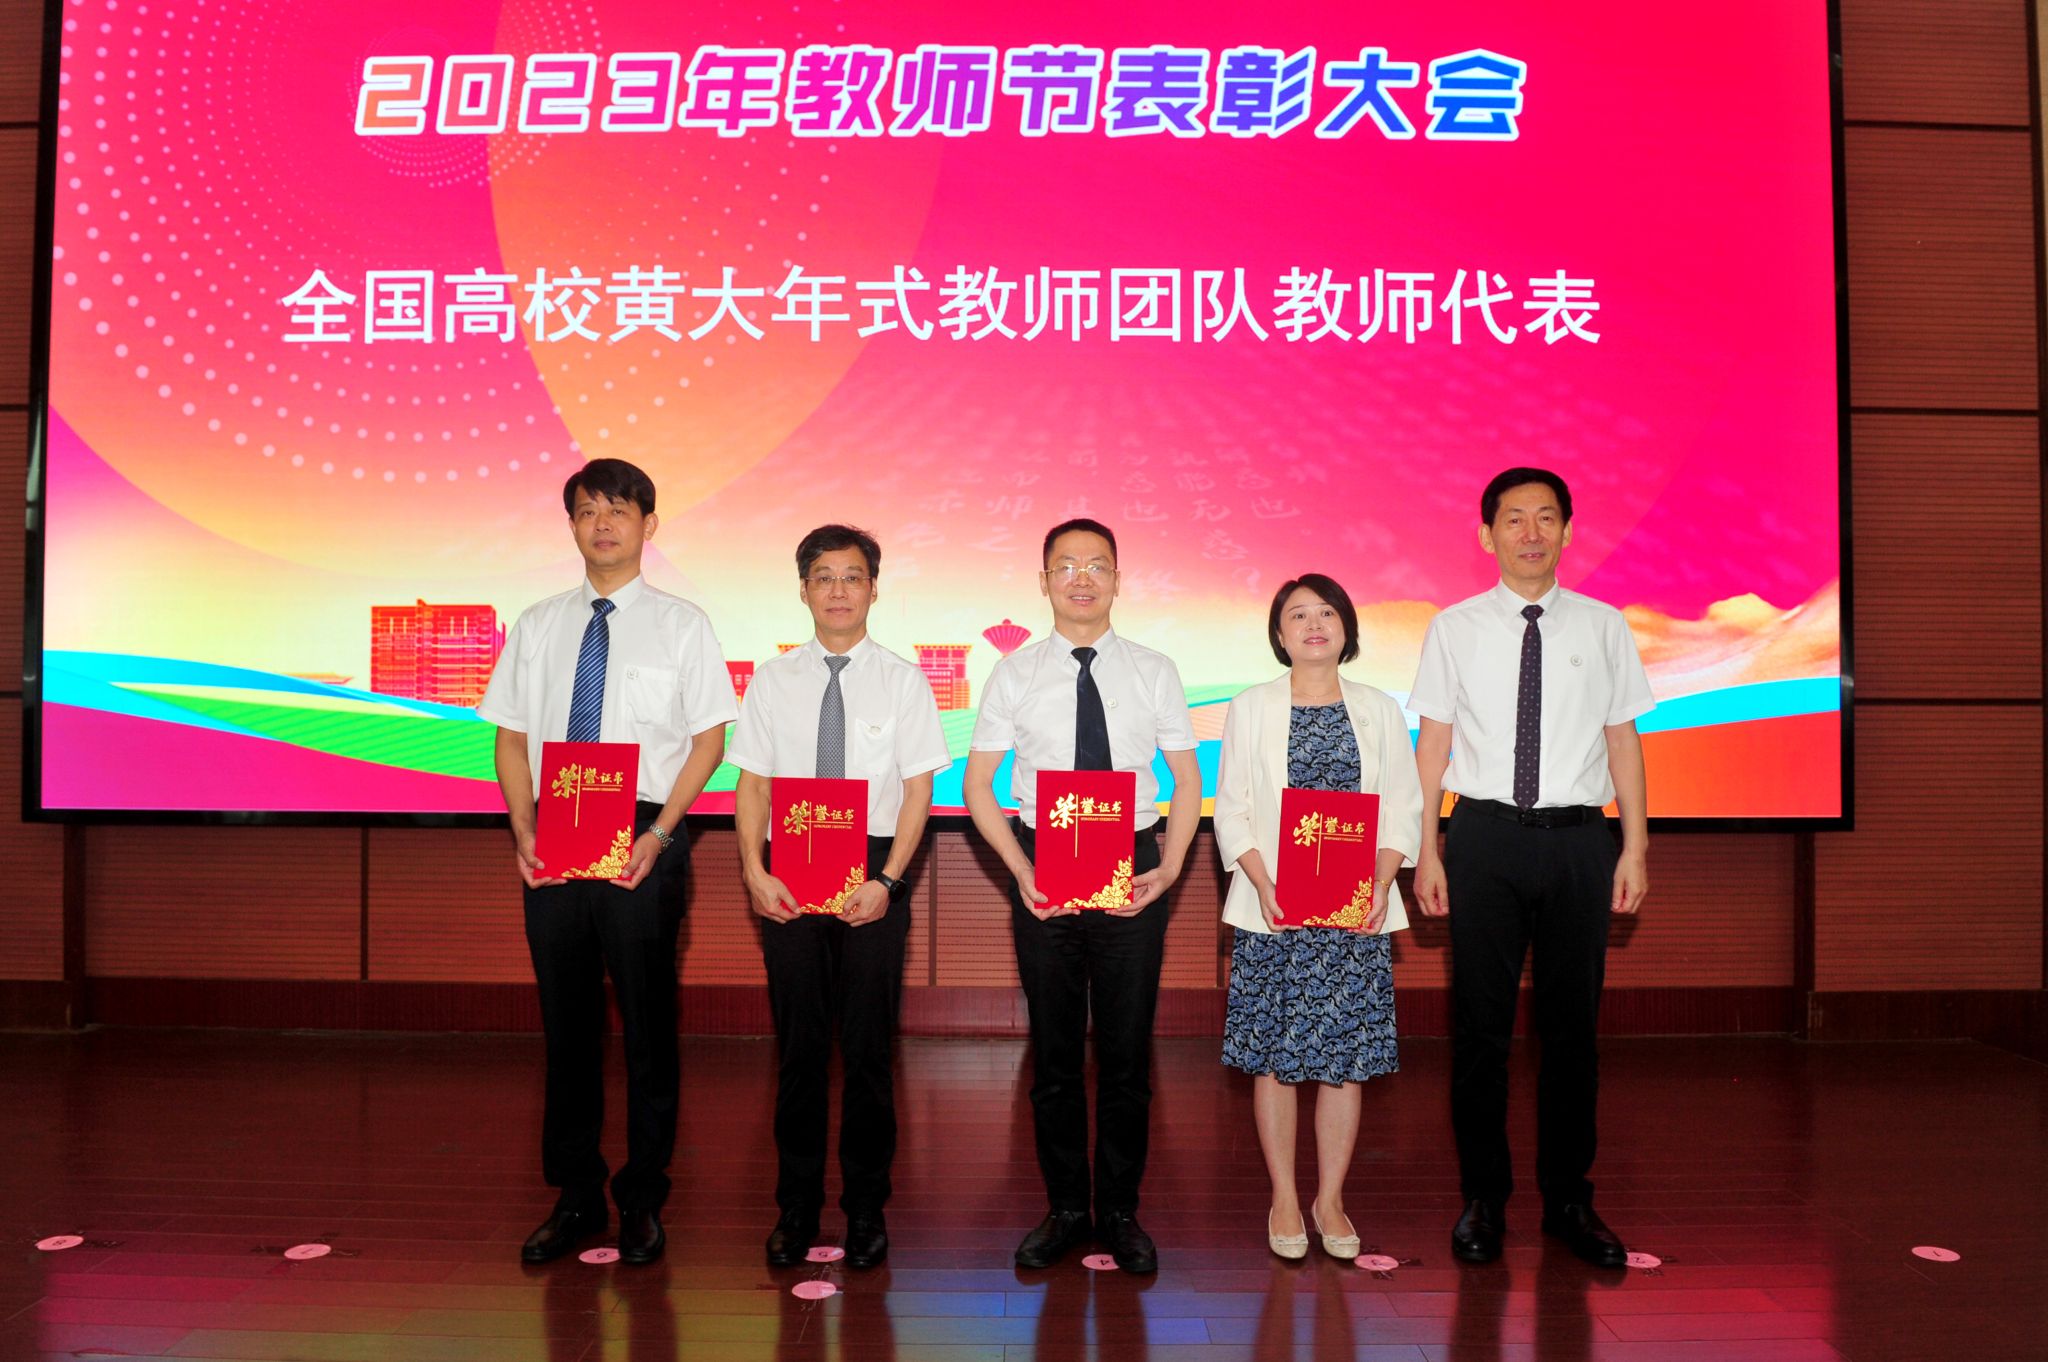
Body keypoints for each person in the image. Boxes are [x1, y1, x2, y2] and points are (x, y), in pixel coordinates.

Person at [477, 458, 737, 1267]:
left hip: (643, 836)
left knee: (649, 1025)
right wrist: (523, 829)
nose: (603, 524)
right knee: (568, 1026)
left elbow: (709, 742)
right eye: (588, 510)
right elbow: (512, 738)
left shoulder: (683, 625)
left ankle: (643, 1197)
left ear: (648, 526)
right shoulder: (537, 624)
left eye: (619, 510)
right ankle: (576, 1193)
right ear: (572, 525)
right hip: (555, 834)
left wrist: (660, 834)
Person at [1408, 467, 1653, 1269]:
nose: (1531, 533)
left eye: (1547, 517)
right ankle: (1483, 1198)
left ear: (1569, 531)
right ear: (1487, 535)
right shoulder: (1454, 628)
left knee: (1572, 1032)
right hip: (1483, 839)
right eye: (1514, 518)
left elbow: (1623, 740)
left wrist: (1635, 846)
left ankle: (1570, 1201)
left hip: (1580, 843)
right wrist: (1427, 847)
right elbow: (1434, 745)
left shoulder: (1604, 626)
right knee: (1480, 1032)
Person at [963, 518, 1202, 1274]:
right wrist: (1018, 868)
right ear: (1044, 582)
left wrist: (1170, 868)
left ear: (1118, 580)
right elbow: (978, 785)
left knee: (1127, 1055)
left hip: (1134, 863)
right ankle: (1067, 1208)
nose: (1082, 578)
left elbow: (1187, 779)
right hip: (1044, 866)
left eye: (1097, 565)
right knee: (1056, 1053)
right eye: (1065, 565)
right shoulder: (1015, 674)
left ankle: (1121, 1212)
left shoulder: (1154, 670)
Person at [728, 524, 951, 1271]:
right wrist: (754, 872)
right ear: (803, 590)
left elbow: (918, 789)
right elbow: (753, 783)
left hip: (873, 869)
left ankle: (865, 1208)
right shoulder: (773, 679)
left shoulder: (903, 680)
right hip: (788, 870)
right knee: (798, 1052)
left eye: (853, 577)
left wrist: (890, 881)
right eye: (823, 577)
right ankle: (795, 1207)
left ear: (873, 590)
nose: (838, 591)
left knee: (866, 1052)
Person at [1213, 574, 1424, 1261]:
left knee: (1345, 1062)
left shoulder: (1379, 709)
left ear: (1346, 628)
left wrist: (1381, 883)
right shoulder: (1250, 707)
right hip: (1273, 908)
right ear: (1279, 635)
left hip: (1354, 911)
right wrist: (1263, 882)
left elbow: (1403, 806)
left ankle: (1329, 1198)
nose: (1313, 625)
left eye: (1326, 612)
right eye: (1297, 615)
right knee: (1275, 1058)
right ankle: (1283, 1194)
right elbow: (1233, 808)